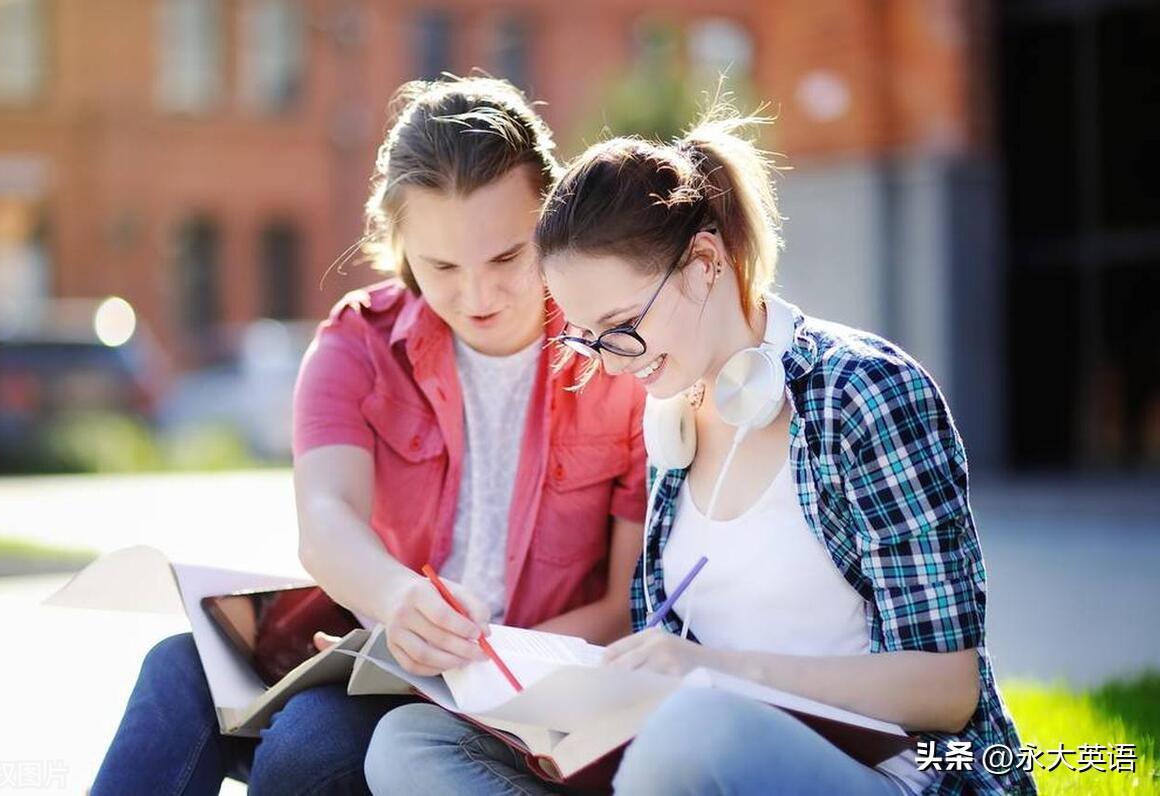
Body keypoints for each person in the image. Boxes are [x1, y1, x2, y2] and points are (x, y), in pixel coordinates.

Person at [365, 100, 1035, 795]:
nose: (615, 365)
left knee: (696, 733)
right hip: (697, 755)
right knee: (412, 742)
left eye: (622, 326)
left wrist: (714, 672)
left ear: (704, 263)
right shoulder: (672, 417)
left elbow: (947, 688)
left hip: (898, 776)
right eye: (587, 339)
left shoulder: (864, 392)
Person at [91, 76, 646, 796]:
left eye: (507, 258)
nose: (478, 297)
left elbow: (628, 599)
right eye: (442, 266)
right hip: (382, 658)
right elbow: (325, 521)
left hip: (531, 686)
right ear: (399, 246)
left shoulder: (614, 358)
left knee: (305, 752)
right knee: (178, 667)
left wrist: (483, 654)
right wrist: (396, 599)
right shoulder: (359, 342)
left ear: (551, 222)